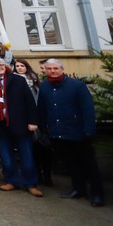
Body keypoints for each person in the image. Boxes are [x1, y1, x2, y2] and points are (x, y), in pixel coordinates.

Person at [38, 58, 104, 207]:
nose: (52, 71)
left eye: (55, 68)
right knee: (71, 164)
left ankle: (97, 194)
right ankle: (78, 189)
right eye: (49, 69)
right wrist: (44, 129)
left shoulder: (77, 86)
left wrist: (88, 129)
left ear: (61, 69)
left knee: (89, 164)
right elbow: (42, 109)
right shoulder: (44, 87)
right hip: (58, 132)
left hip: (79, 132)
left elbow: (87, 109)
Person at [0, 56, 41, 196]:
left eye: (1, 65)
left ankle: (30, 183)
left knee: (27, 155)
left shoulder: (18, 80)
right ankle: (12, 180)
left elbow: (29, 101)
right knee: (6, 156)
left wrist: (33, 121)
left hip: (20, 123)